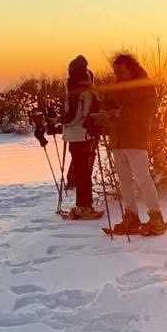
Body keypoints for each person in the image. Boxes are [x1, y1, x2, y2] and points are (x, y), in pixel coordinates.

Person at [100, 52, 167, 236]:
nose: (118, 75)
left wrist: (121, 113)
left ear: (131, 69)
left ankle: (156, 216)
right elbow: (107, 106)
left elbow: (148, 111)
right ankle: (131, 215)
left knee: (142, 178)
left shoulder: (144, 86)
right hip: (118, 139)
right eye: (116, 72)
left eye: (121, 71)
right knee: (124, 180)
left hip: (136, 139)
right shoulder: (115, 87)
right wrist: (103, 116)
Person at [62, 57, 104, 219]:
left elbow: (72, 117)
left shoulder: (75, 91)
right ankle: (86, 204)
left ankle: (83, 206)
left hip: (76, 135)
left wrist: (60, 119)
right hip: (89, 135)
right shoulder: (91, 90)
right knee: (85, 171)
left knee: (81, 172)